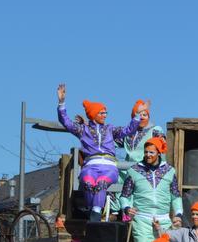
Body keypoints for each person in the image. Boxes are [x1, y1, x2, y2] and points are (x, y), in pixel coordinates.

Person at [56, 83, 140, 222]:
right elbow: (66, 122)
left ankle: (95, 214)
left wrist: (136, 116)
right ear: (93, 114)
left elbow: (128, 130)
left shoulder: (110, 129)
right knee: (88, 183)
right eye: (101, 112)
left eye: (105, 112)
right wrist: (61, 103)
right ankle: (92, 211)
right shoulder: (83, 130)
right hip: (90, 166)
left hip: (108, 166)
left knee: (101, 183)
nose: (105, 115)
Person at [122, 137, 184, 242]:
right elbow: (124, 196)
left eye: (151, 152)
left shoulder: (169, 171)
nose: (148, 155)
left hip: (164, 221)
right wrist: (127, 208)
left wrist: (178, 214)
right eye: (146, 152)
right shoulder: (134, 170)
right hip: (142, 220)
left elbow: (176, 196)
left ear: (159, 152)